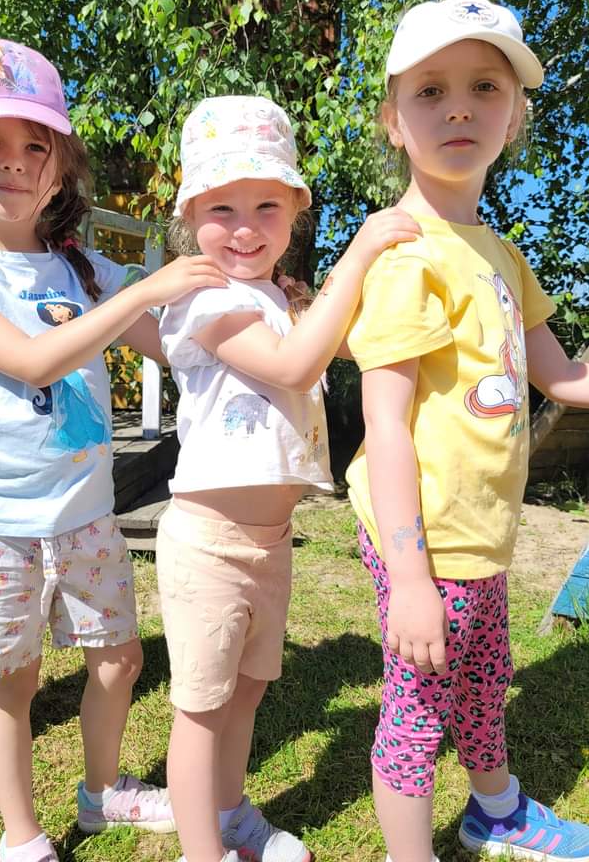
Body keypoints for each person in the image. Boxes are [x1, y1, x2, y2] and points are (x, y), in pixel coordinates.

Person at [0, 39, 227, 862]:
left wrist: (263, 310)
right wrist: (146, 288)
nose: (14, 161)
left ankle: (102, 794)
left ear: (60, 168)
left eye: (36, 143)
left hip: (87, 516)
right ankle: (22, 836)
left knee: (120, 663)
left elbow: (178, 344)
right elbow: (31, 361)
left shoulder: (83, 269)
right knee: (9, 687)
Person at [345, 0, 589, 862]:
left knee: (486, 680)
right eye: (430, 90)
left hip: (480, 531)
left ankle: (495, 808)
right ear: (393, 120)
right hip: (422, 535)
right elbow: (384, 424)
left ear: (516, 115)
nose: (459, 107)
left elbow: (561, 377)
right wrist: (410, 577)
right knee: (418, 709)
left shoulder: (498, 253)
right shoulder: (405, 256)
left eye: (484, 87)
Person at [158, 94, 421, 862]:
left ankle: (232, 813)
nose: (245, 227)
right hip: (207, 545)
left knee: (247, 692)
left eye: (266, 206)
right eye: (222, 208)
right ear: (190, 214)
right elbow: (296, 364)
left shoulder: (281, 298)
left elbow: (359, 341)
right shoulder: (202, 298)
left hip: (271, 542)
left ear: (296, 210)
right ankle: (201, 852)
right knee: (201, 710)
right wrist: (361, 252)